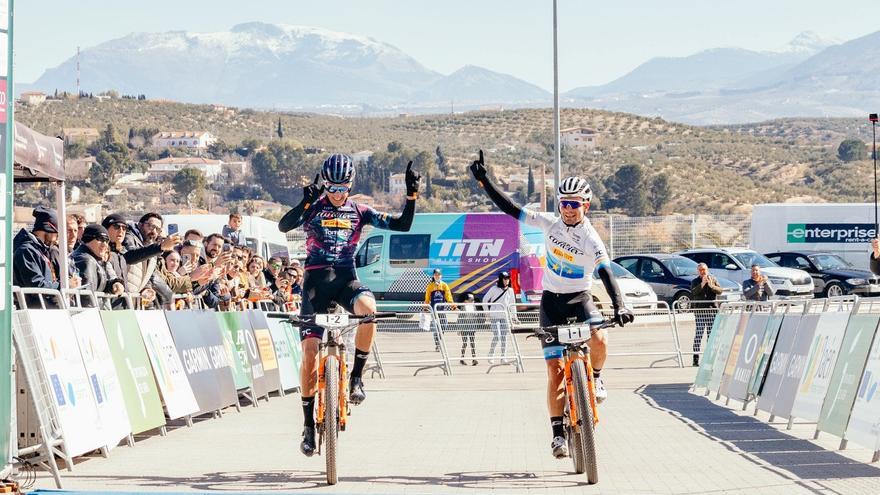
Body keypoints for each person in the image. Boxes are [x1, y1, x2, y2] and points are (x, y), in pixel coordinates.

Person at [470, 150, 633, 459]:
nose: (569, 210)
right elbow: (510, 208)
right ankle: (558, 433)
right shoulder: (549, 224)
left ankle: (595, 379)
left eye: (575, 204)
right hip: (551, 304)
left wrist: (620, 305)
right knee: (555, 371)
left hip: (580, 300)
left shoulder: (591, 238)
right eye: (564, 204)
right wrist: (484, 181)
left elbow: (606, 273)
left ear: (586, 205)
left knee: (600, 336)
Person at [278, 153, 420, 457]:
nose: (338, 193)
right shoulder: (314, 207)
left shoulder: (360, 210)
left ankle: (356, 376)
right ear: (324, 184)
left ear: (351, 185)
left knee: (370, 310)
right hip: (315, 282)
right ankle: (306, 425)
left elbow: (403, 225)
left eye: (343, 188)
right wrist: (304, 203)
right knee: (309, 353)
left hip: (345, 279)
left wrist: (411, 196)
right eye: (332, 188)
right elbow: (283, 226)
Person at [124, 213, 180, 308]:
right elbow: (130, 257)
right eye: (150, 226)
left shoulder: (151, 247)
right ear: (140, 225)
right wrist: (160, 247)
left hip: (135, 301)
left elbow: (150, 275)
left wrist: (147, 288)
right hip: (122, 299)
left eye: (157, 229)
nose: (153, 231)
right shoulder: (129, 236)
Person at [13, 207, 62, 307]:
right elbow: (36, 285)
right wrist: (63, 285)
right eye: (56, 234)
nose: (56, 240)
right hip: (34, 311)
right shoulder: (26, 251)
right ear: (48, 229)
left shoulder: (39, 250)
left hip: (42, 309)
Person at [71, 225, 125, 302]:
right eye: (101, 239)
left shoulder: (93, 260)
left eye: (107, 241)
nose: (105, 244)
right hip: (88, 312)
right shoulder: (86, 260)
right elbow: (87, 298)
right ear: (88, 239)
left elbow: (97, 285)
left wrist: (112, 285)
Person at [691, 262, 723, 367]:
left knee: (711, 335)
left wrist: (711, 285)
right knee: (699, 335)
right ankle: (695, 359)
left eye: (704, 270)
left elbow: (720, 291)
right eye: (700, 270)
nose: (702, 272)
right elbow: (694, 292)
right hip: (700, 312)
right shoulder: (695, 281)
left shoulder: (713, 279)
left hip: (711, 311)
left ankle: (710, 358)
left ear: (707, 270)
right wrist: (702, 284)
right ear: (698, 271)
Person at [484, 271, 516, 363]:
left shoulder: (510, 290)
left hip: (505, 316)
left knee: (504, 337)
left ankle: (503, 357)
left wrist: (514, 317)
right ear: (501, 279)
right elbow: (485, 300)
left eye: (508, 279)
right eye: (505, 279)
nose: (507, 281)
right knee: (497, 336)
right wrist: (487, 313)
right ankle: (491, 354)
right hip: (494, 315)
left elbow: (512, 304)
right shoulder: (494, 289)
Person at [424, 268, 455, 351]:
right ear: (433, 276)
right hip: (434, 310)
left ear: (441, 276)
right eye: (435, 275)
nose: (437, 276)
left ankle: (440, 339)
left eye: (438, 275)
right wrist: (425, 307)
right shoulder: (430, 286)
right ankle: (437, 344)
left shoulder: (444, 285)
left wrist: (453, 306)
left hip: (441, 310)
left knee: (444, 325)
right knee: (436, 328)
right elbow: (427, 298)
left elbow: (449, 297)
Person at [458, 292, 478, 366]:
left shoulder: (473, 307)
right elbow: (460, 318)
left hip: (471, 326)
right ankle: (462, 358)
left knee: (472, 343)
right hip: (464, 327)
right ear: (465, 301)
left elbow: (476, 316)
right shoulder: (464, 307)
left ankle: (474, 359)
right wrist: (459, 329)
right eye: (470, 300)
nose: (472, 301)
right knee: (465, 343)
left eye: (473, 300)